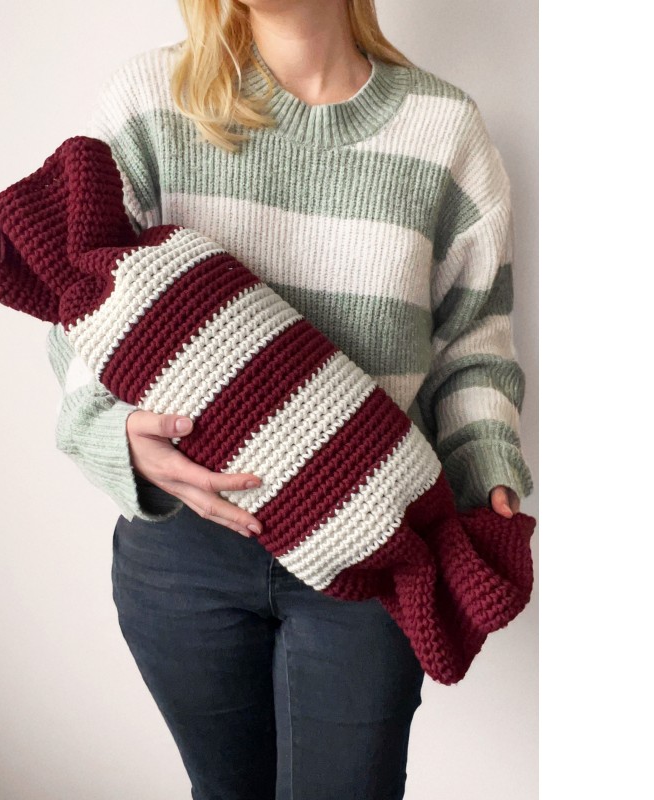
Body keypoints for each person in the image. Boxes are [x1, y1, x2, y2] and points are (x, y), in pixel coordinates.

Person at [45, 1, 534, 797]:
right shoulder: (151, 101)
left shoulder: (445, 131)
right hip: (184, 556)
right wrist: (116, 435)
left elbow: (473, 340)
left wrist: (488, 467)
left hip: (369, 545)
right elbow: (77, 306)